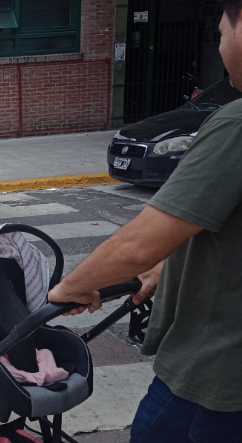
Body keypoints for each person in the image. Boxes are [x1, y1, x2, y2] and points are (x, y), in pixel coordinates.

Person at [48, 2, 242, 440]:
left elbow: (139, 243)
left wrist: (69, 287)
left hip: (217, 373)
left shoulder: (235, 126)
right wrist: (165, 268)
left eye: (221, 31)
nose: (220, 42)